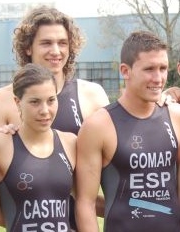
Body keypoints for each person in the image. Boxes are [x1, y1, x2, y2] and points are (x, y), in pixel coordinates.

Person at [0, 5, 109, 230]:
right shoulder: (0, 101)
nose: (56, 51)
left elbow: (123, 154)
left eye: (62, 43)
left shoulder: (92, 95)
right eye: (46, 43)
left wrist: (160, 99)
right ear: (28, 47)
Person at [75, 31, 180, 232]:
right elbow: (85, 203)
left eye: (163, 68)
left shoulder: (176, 117)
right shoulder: (98, 126)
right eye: (149, 69)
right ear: (125, 70)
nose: (158, 78)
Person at [0, 63, 77, 231]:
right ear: (18, 102)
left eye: (51, 100)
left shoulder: (71, 143)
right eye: (35, 102)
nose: (45, 110)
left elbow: (85, 201)